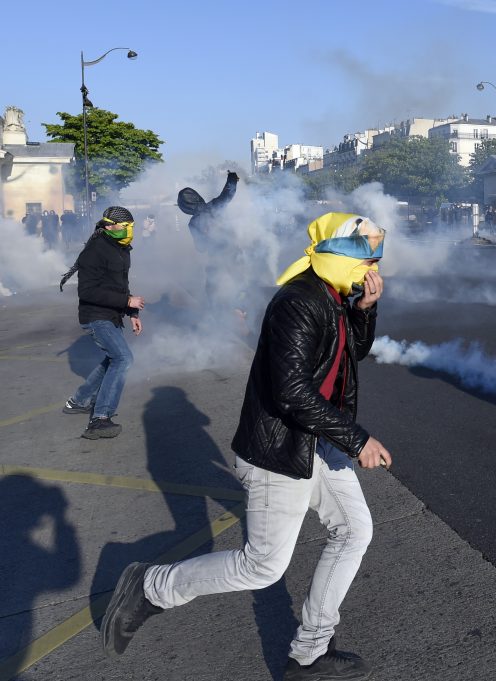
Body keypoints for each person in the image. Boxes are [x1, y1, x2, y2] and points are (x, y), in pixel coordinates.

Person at [101, 212, 391, 681]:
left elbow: (350, 354)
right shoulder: (299, 302)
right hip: (280, 448)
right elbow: (291, 391)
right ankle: (151, 586)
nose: (373, 261)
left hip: (314, 441)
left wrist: (365, 310)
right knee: (262, 567)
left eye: (377, 251)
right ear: (330, 253)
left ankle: (311, 651)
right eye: (363, 251)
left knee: (354, 531)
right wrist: (357, 439)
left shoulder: (334, 296)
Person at [62, 207, 145, 440]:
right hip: (95, 316)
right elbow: (87, 291)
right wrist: (127, 300)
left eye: (131, 226)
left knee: (113, 358)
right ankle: (100, 419)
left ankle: (78, 401)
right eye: (125, 226)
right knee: (123, 358)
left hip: (111, 315)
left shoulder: (120, 249)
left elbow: (119, 285)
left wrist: (131, 312)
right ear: (109, 226)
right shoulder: (95, 250)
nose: (130, 231)